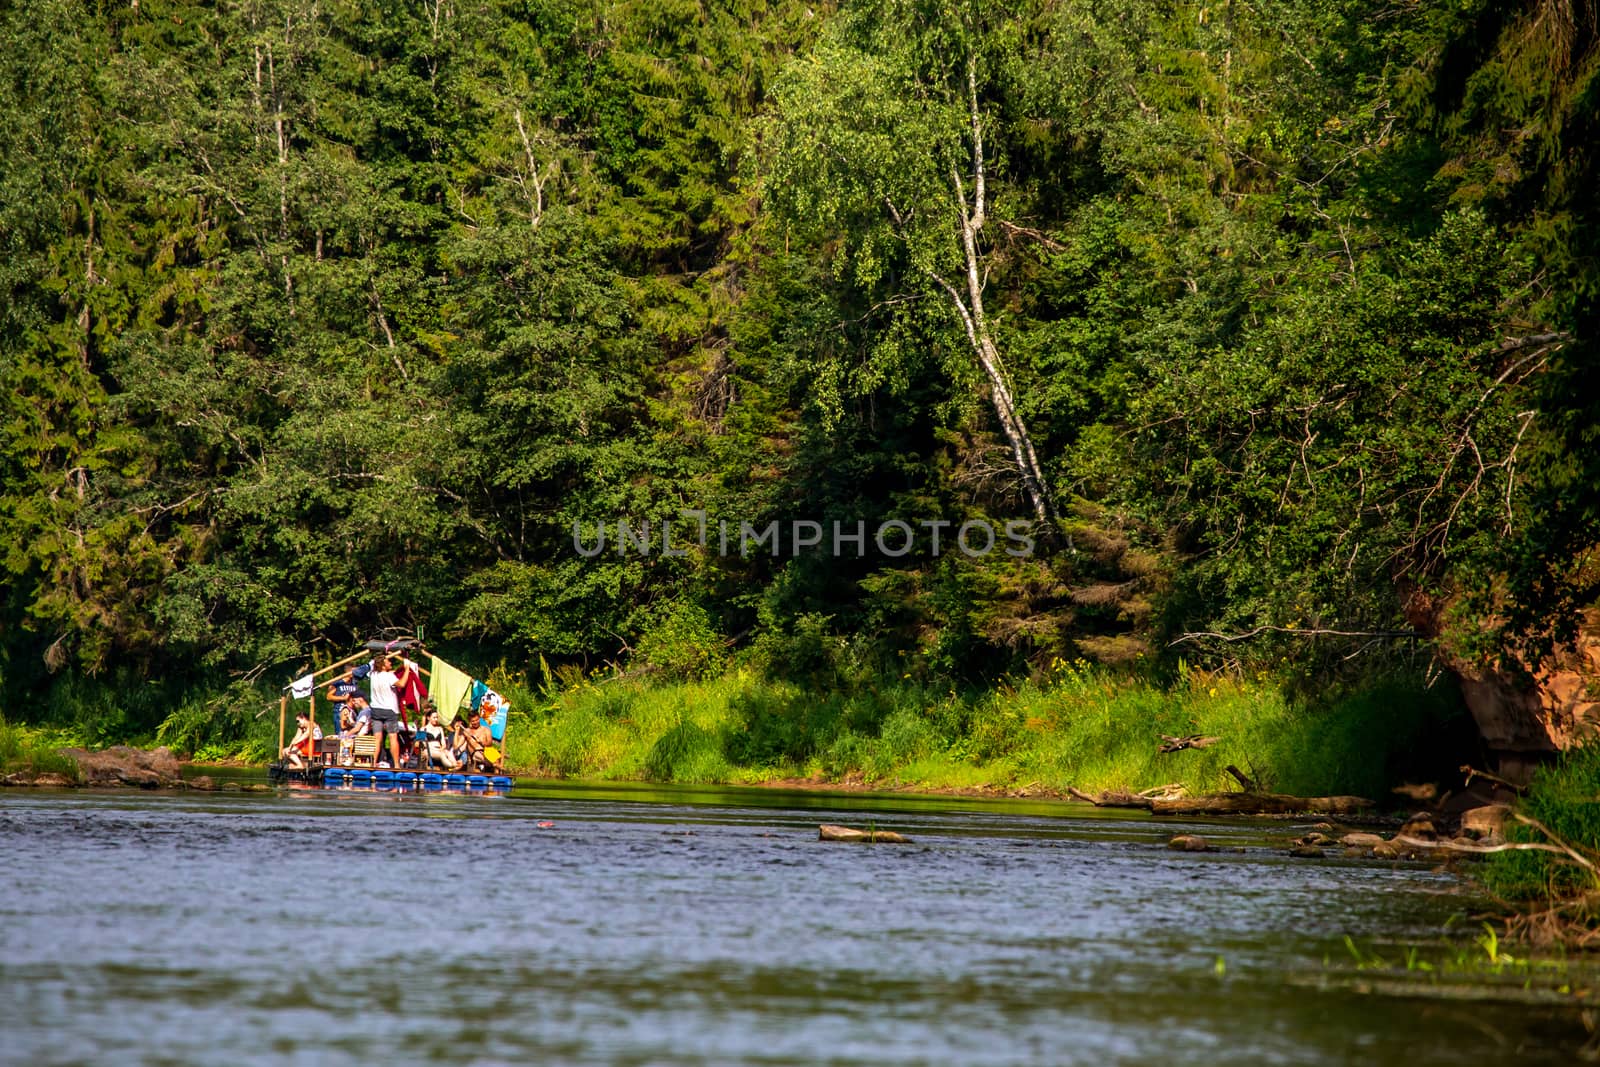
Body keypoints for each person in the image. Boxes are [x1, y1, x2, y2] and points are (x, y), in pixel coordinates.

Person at [365, 655, 404, 769]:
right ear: (382, 665)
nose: (390, 663)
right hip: (389, 710)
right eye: (388, 662)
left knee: (378, 738)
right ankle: (396, 765)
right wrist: (406, 670)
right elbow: (401, 684)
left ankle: (373, 763)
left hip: (376, 710)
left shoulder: (373, 675)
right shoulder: (389, 676)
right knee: (393, 737)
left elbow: (375, 668)